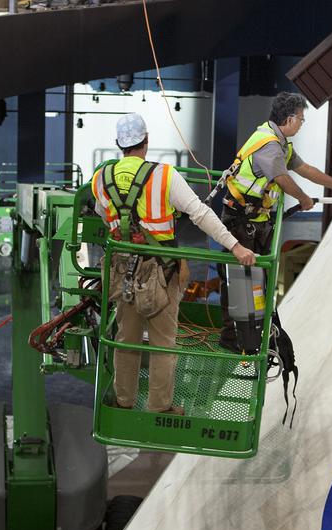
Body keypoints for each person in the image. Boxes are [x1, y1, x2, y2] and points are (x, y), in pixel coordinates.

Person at [92, 113, 256, 415]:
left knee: (126, 337)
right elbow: (200, 213)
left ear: (119, 143)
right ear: (146, 140)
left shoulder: (100, 177)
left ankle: (124, 401)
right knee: (163, 342)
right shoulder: (165, 176)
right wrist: (235, 246)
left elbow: (104, 215)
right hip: (160, 270)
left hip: (121, 270)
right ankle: (159, 406)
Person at [218, 91, 332, 351]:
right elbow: (282, 179)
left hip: (258, 220)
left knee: (257, 279)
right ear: (290, 119)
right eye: (302, 119)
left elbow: (306, 170)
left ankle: (253, 335)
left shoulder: (282, 144)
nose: (302, 124)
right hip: (239, 220)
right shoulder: (269, 145)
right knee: (239, 279)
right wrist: (303, 198)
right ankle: (232, 338)